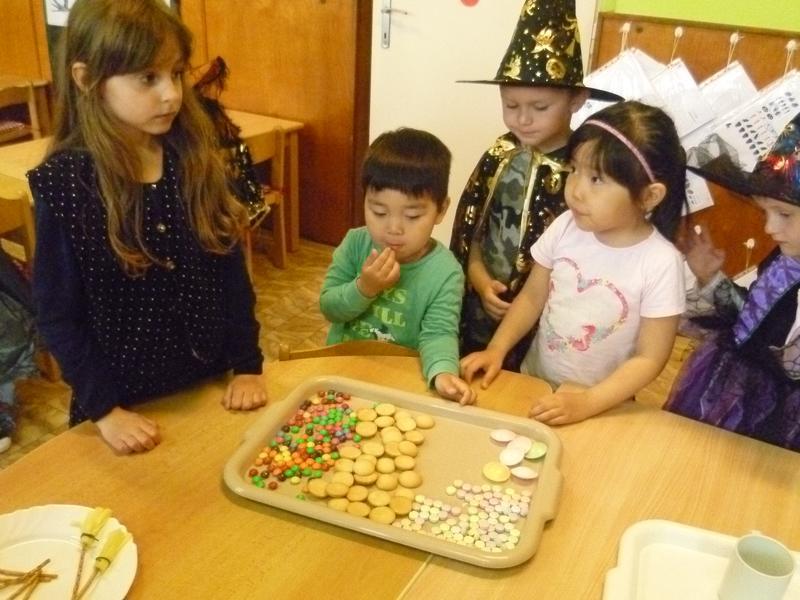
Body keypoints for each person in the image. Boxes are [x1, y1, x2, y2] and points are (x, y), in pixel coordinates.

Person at [28, 0, 267, 455]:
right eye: (147, 78)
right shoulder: (66, 184)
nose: (172, 95)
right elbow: (59, 316)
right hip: (125, 408)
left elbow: (231, 275)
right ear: (86, 79)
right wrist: (106, 411)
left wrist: (247, 365)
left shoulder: (192, 158)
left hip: (212, 387)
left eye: (176, 74)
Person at [461, 101, 687, 425]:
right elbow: (531, 298)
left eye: (596, 179)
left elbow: (650, 359)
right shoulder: (566, 226)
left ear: (649, 196)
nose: (576, 190)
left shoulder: (661, 263)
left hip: (602, 406)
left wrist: (587, 402)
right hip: (535, 383)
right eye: (574, 170)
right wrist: (496, 349)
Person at [450, 0, 621, 370]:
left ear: (577, 99)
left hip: (550, 321)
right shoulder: (499, 154)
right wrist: (480, 281)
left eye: (540, 107)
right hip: (481, 305)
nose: (523, 120)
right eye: (511, 106)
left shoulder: (583, 171)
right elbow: (471, 231)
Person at [666, 113, 800, 451]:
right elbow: (752, 321)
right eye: (766, 212)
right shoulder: (784, 260)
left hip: (783, 419)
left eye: (784, 214)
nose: (769, 228)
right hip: (734, 389)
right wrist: (712, 279)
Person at [320, 128, 476, 405]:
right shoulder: (356, 244)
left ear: (441, 210)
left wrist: (442, 372)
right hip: (342, 368)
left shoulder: (445, 272)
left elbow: (438, 333)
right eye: (379, 212)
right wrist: (364, 288)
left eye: (412, 215)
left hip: (400, 380)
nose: (393, 228)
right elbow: (329, 308)